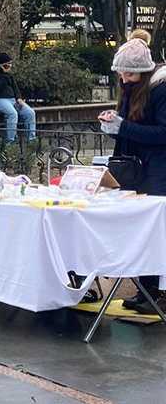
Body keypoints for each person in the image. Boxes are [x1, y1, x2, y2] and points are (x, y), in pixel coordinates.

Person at [98, 30, 166, 314]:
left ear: (142, 72)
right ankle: (146, 289)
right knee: (140, 231)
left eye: (128, 74)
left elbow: (162, 133)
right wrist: (113, 126)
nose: (123, 79)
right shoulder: (130, 89)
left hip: (157, 170)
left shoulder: (160, 90)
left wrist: (122, 126)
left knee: (155, 231)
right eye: (121, 74)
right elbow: (130, 130)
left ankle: (157, 293)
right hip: (135, 169)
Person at [0, 52, 36, 142]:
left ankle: (31, 139)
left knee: (30, 112)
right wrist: (4, 74)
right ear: (0, 65)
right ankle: (10, 140)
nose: (10, 67)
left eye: (10, 64)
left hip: (12, 99)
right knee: (12, 114)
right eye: (7, 65)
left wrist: (19, 98)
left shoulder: (9, 75)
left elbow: (15, 88)